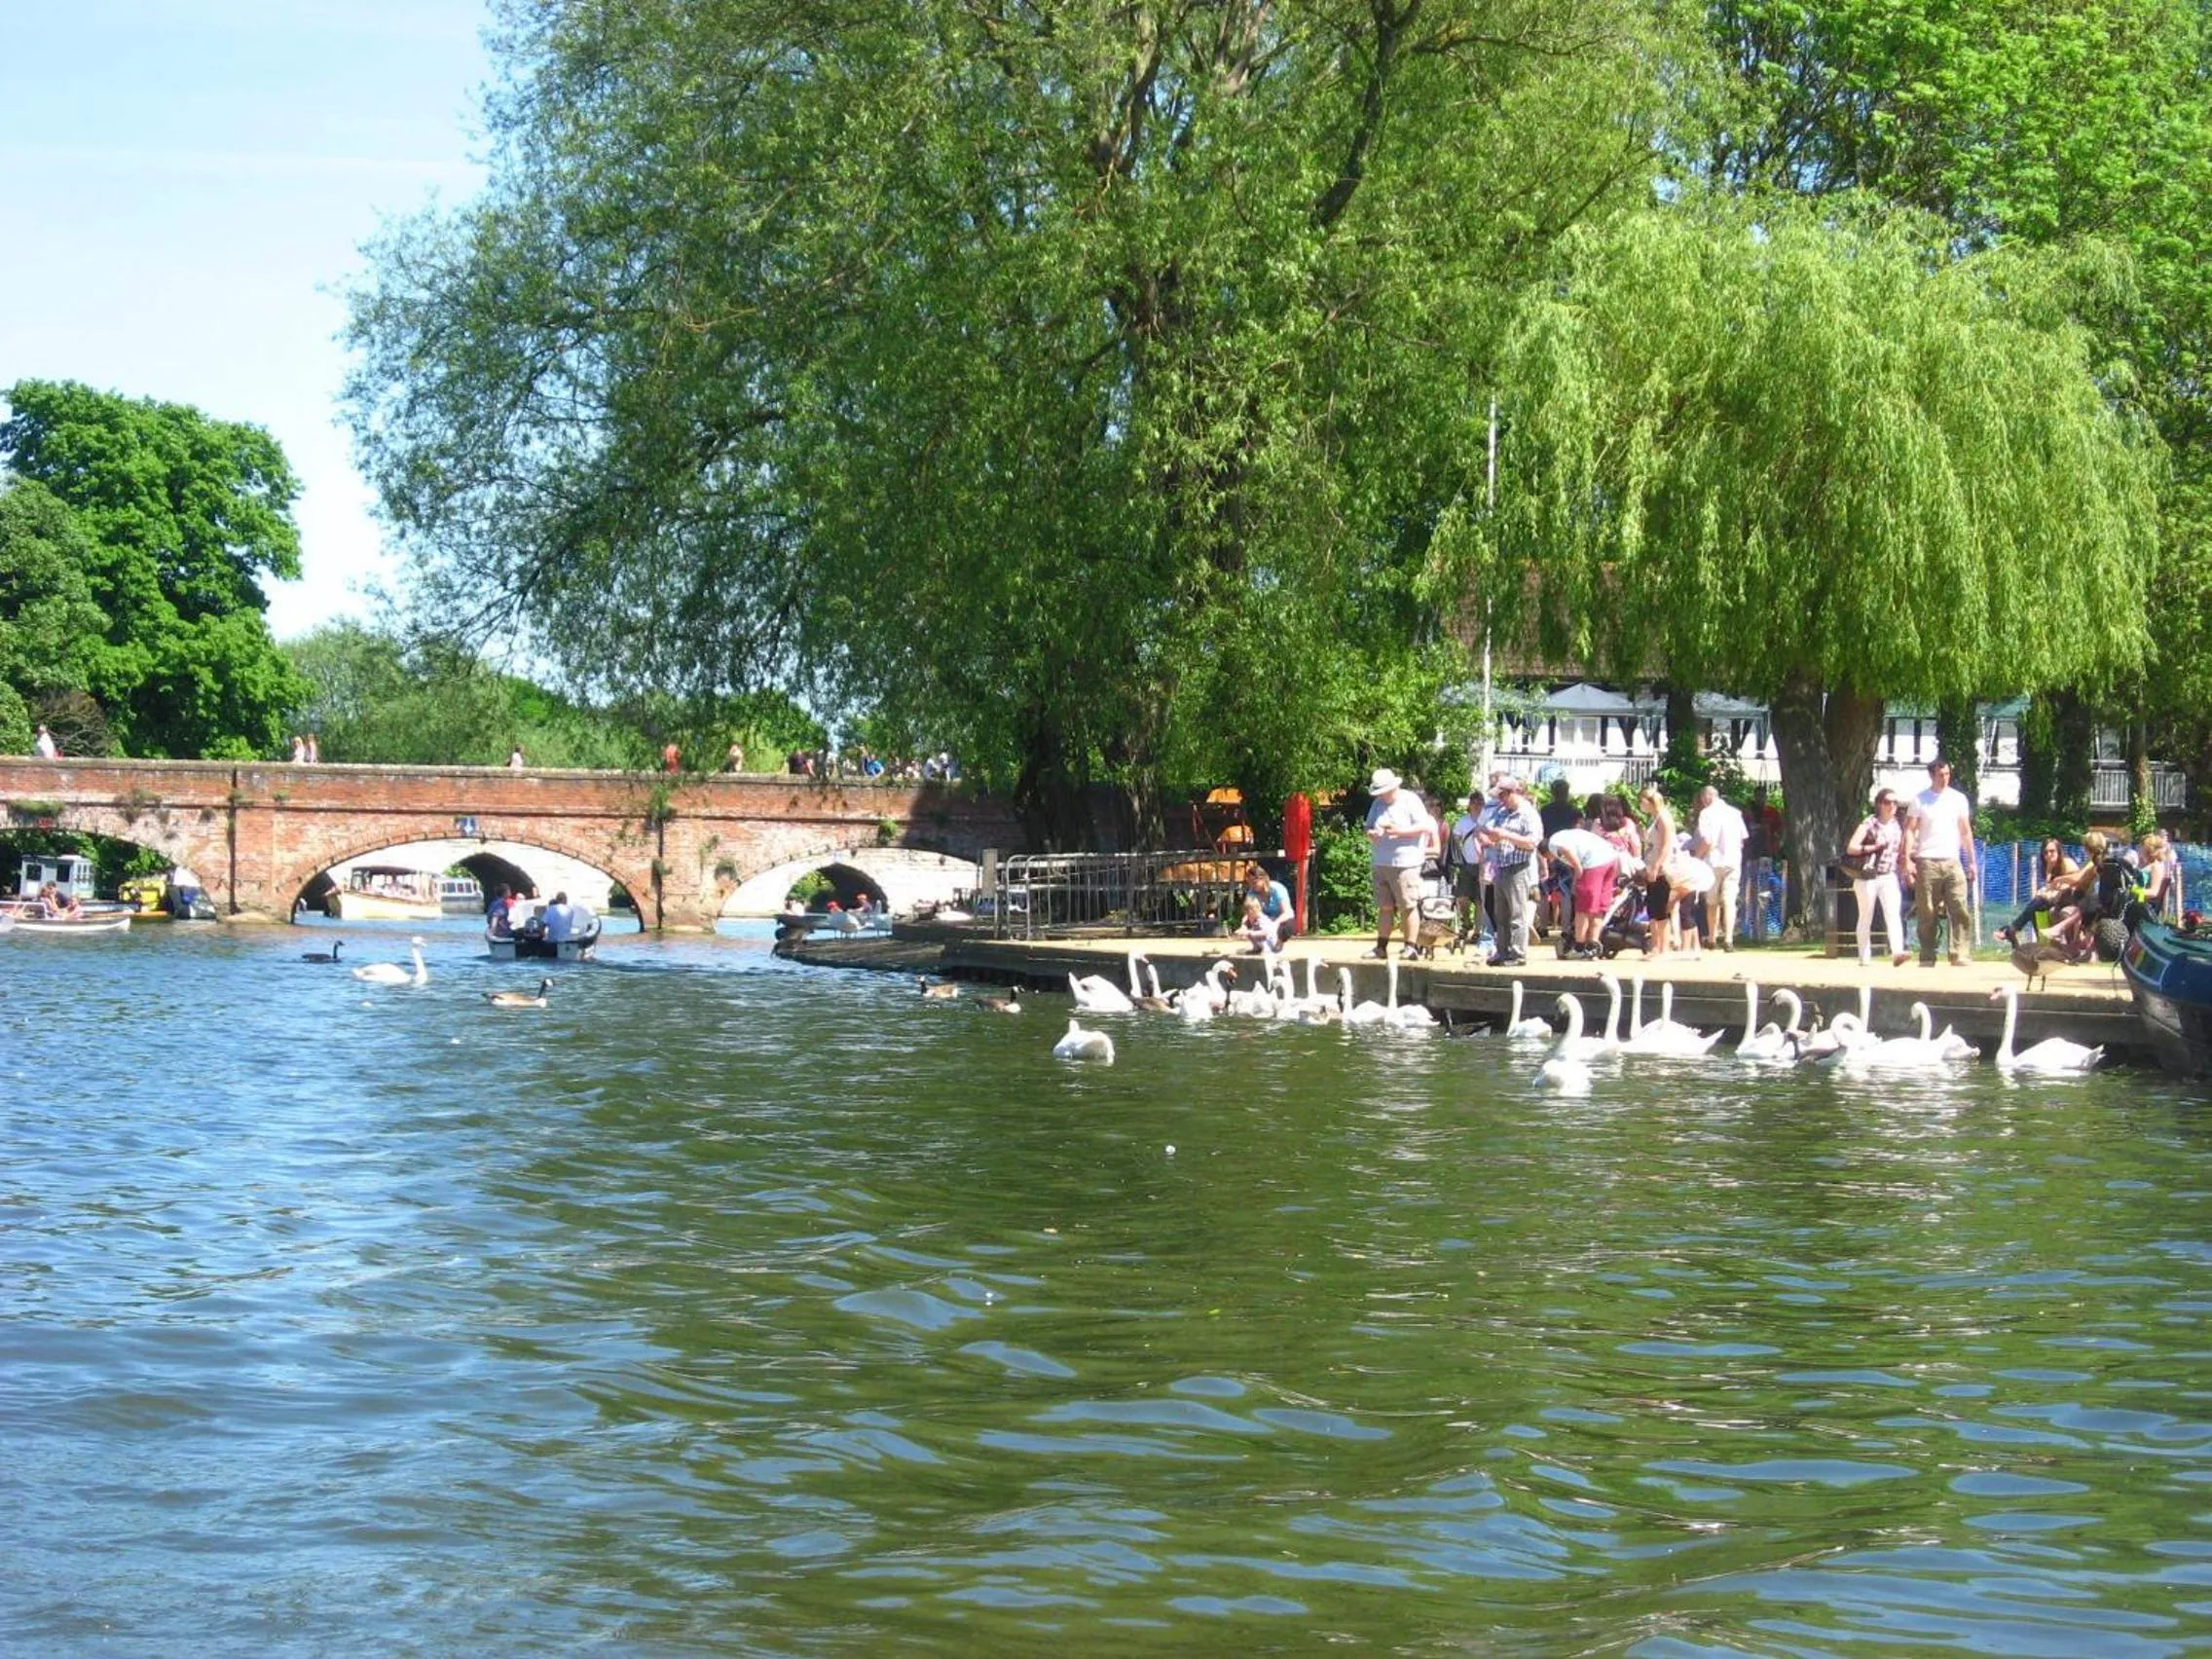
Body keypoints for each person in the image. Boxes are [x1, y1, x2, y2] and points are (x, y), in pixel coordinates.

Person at [1901, 756, 1976, 967]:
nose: (1945, 778)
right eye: (1940, 775)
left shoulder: (1958, 799)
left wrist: (1972, 861)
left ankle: (1959, 952)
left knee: (1959, 906)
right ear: (1932, 776)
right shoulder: (1920, 800)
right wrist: (1907, 860)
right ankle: (1927, 953)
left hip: (1952, 861)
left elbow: (1965, 831)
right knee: (1927, 911)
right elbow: (1909, 830)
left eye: (1947, 774)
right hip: (1927, 861)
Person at [1363, 767, 1436, 959]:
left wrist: (1399, 832)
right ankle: (1381, 947)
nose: (1382, 795)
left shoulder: (1410, 800)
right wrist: (1371, 833)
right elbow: (1368, 826)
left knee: (1408, 904)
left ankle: (1410, 946)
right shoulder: (1378, 804)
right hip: (1381, 860)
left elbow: (1424, 826)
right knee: (1384, 906)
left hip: (1406, 861)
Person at [1476, 776, 1543, 967]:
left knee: (1517, 914)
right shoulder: (1501, 812)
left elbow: (1532, 842)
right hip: (1501, 867)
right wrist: (1485, 836)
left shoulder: (1528, 814)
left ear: (1514, 793)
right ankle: (1502, 951)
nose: (1501, 799)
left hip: (1518, 869)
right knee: (1501, 914)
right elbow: (1487, 829)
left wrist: (1506, 835)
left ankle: (1518, 954)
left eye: (1504, 795)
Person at [1844, 789, 1909, 966]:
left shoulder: (1898, 825)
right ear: (1880, 804)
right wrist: (1873, 847)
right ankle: (1864, 956)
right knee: (1866, 916)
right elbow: (1851, 848)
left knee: (1893, 914)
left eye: (1895, 802)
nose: (1892, 806)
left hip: (1889, 875)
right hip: (1868, 876)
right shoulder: (1869, 823)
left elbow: (1900, 851)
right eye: (1888, 802)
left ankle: (1897, 952)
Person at [1548, 809, 1618, 960]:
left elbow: (1565, 850)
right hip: (1611, 858)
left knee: (1584, 907)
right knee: (1598, 907)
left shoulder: (1552, 844)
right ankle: (1593, 944)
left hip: (1593, 862)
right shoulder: (1568, 834)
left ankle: (1579, 947)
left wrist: (1578, 868)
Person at [1997, 837, 2083, 946]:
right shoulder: (2048, 866)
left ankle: (2014, 928)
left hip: (2072, 898)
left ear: (2059, 851)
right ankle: (2040, 942)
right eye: (2046, 852)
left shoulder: (2067, 862)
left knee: (2039, 901)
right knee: (2036, 906)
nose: (2049, 855)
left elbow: (2077, 881)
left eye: (2052, 851)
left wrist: (2057, 885)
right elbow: (2049, 887)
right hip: (2056, 900)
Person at [1693, 786, 1748, 952]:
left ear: (1706, 797)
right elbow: (1742, 840)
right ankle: (1729, 939)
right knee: (1730, 900)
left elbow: (1707, 841)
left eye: (1702, 799)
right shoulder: (1735, 813)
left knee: (1712, 902)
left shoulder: (1706, 814)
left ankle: (1712, 937)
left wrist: (1697, 858)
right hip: (1733, 860)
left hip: (1713, 861)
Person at [1638, 785, 1678, 957]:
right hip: (1651, 865)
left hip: (1661, 869)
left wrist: (1656, 866)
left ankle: (1660, 947)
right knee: (1654, 909)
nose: (1640, 806)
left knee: (1659, 909)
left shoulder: (1663, 818)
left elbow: (1667, 845)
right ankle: (1657, 945)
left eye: (1641, 802)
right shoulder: (1654, 818)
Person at [1536, 779, 1579, 938]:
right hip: (1567, 853)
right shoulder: (1574, 811)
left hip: (1547, 850)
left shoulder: (1545, 810)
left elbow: (1540, 832)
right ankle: (1566, 928)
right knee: (1566, 893)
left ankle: (1542, 926)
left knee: (1544, 892)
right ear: (1567, 792)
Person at [1447, 793, 1486, 946]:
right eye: (1473, 802)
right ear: (1469, 804)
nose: (1476, 805)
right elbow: (1455, 841)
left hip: (1483, 864)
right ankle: (1467, 921)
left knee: (1479, 901)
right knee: (1461, 898)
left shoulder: (1487, 821)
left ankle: (1477, 931)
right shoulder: (1463, 821)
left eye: (1479, 802)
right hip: (1466, 864)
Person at [1242, 863, 1297, 945]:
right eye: (1249, 882)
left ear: (1263, 879)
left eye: (1254, 882)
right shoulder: (1251, 892)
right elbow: (1248, 912)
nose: (1252, 885)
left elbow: (1287, 912)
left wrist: (1275, 923)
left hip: (1280, 920)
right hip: (1263, 921)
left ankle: (1275, 941)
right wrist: (1243, 926)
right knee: (1251, 924)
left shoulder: (1277, 889)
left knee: (1285, 927)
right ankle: (1259, 944)